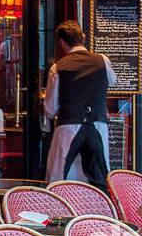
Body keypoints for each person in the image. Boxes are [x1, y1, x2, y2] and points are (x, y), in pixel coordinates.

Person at [43, 21, 115, 185]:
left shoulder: (58, 67)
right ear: (82, 38)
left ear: (62, 42)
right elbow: (111, 81)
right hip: (97, 124)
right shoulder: (102, 61)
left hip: (68, 126)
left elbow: (50, 109)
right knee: (101, 177)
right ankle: (102, 208)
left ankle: (57, 208)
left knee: (58, 177)